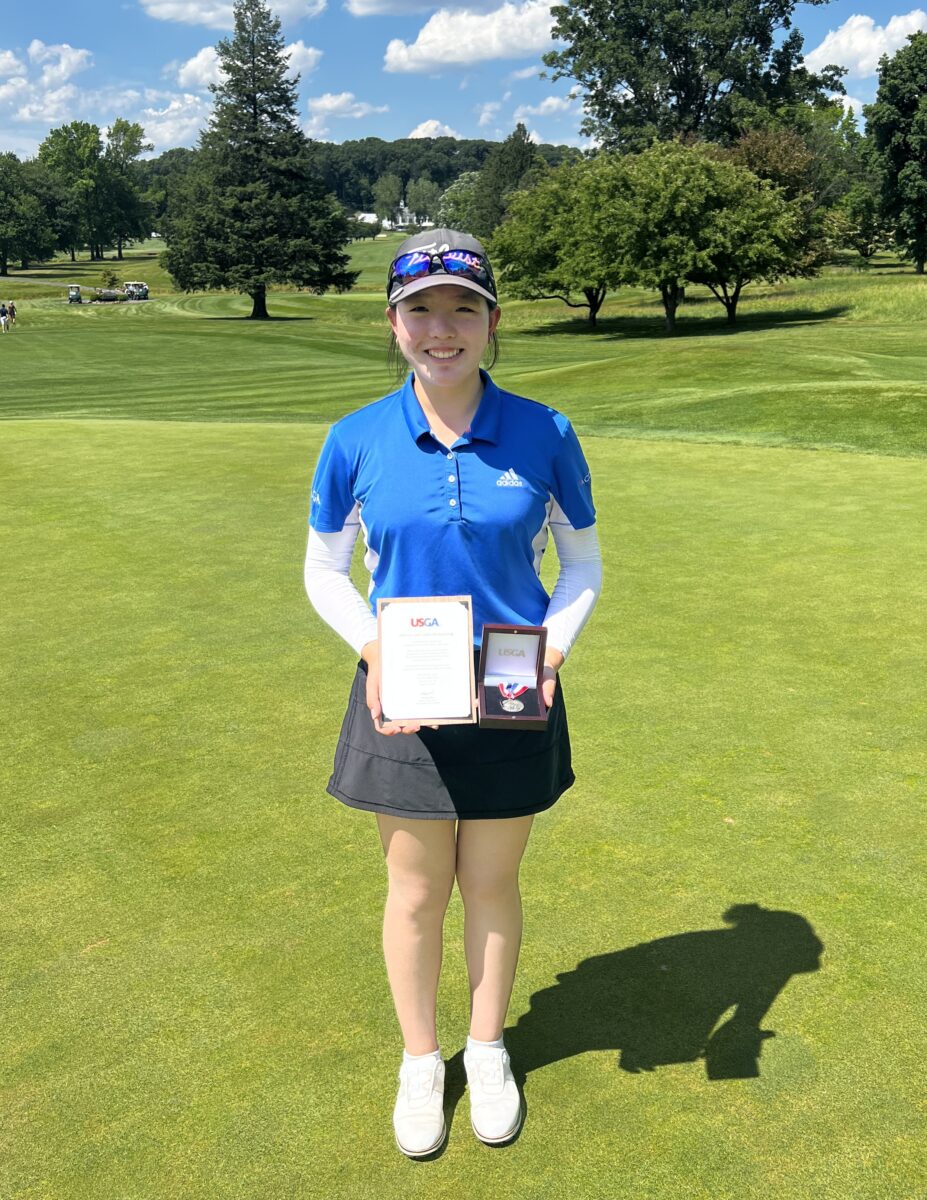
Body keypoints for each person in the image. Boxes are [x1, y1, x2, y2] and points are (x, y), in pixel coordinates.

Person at [304, 229, 602, 1158]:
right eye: (421, 309)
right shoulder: (354, 439)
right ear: (393, 324)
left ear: (491, 321)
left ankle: (487, 1047)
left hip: (513, 690)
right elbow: (324, 570)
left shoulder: (544, 431)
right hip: (403, 692)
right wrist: (371, 649)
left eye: (462, 308)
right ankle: (421, 1062)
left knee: (490, 881)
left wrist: (551, 649)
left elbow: (582, 561)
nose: (443, 328)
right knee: (415, 889)